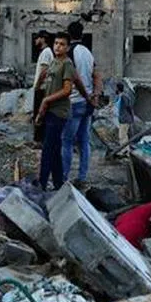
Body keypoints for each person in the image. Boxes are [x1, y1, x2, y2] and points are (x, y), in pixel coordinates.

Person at [61, 20, 102, 185]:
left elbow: (72, 79)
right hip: (88, 103)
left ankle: (63, 177)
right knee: (84, 141)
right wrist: (95, 96)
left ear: (68, 35)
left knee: (67, 141)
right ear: (82, 34)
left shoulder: (69, 53)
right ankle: (82, 177)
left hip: (74, 102)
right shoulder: (88, 52)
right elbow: (97, 75)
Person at [34, 31, 75, 190]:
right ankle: (58, 183)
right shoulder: (54, 61)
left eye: (62, 44)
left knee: (48, 149)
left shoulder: (67, 64)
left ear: (67, 47)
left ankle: (41, 184)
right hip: (49, 110)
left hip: (59, 112)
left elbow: (67, 90)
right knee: (55, 149)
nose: (58, 46)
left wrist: (46, 100)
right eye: (56, 43)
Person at [30, 31, 53, 145]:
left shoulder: (46, 52)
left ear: (42, 39)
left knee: (39, 115)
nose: (35, 41)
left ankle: (39, 141)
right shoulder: (47, 52)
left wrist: (37, 86)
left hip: (42, 89)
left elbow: (44, 71)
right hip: (44, 88)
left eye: (37, 38)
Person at [115, 82, 134, 150]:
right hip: (122, 119)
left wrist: (131, 117)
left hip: (125, 119)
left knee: (122, 136)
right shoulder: (120, 97)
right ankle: (126, 150)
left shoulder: (124, 97)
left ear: (118, 88)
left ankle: (124, 151)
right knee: (124, 136)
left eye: (116, 88)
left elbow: (129, 107)